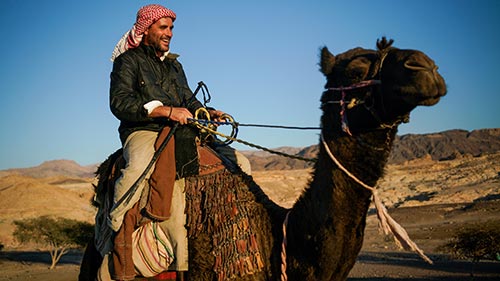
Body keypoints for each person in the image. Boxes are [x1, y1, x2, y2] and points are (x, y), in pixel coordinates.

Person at [105, 4, 250, 280]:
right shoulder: (128, 62)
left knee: (238, 161)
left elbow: (187, 99)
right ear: (145, 29)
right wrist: (164, 111)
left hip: (182, 129)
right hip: (144, 129)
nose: (169, 33)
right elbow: (119, 102)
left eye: (171, 28)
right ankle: (117, 225)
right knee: (137, 167)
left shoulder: (174, 65)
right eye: (163, 27)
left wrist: (209, 112)